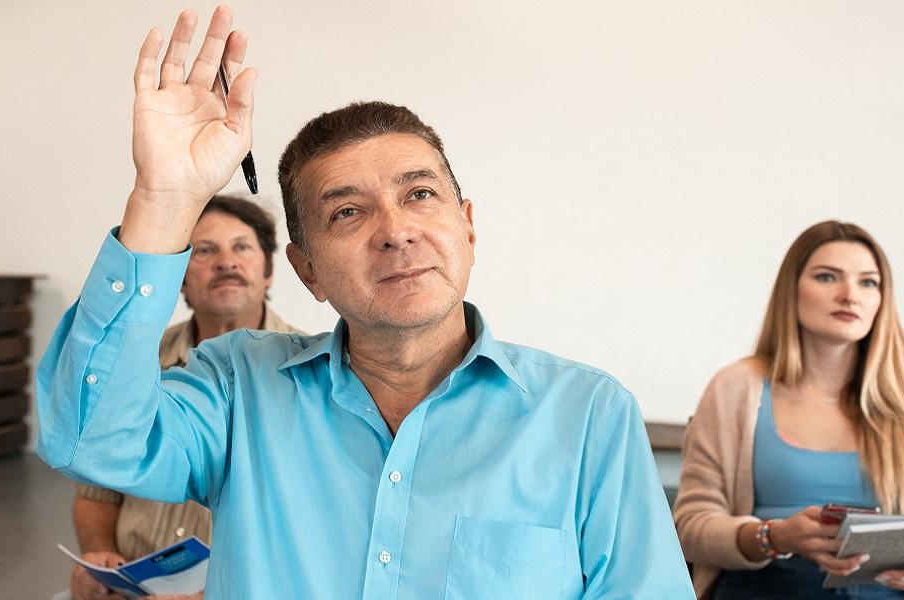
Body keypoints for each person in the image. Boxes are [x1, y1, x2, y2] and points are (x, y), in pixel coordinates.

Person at [38, 7, 692, 598]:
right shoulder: (240, 387)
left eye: (419, 195)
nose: (396, 229)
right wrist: (166, 198)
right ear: (307, 269)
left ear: (467, 227)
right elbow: (88, 441)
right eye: (347, 211)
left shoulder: (586, 416)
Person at [673, 221, 904, 599]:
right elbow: (689, 527)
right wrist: (774, 536)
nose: (850, 295)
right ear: (792, 291)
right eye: (827, 277)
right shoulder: (735, 388)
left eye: (868, 282)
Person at [68, 195, 300, 600]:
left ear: (268, 272)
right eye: (206, 251)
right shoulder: (133, 367)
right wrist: (98, 553)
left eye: (241, 247)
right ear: (180, 279)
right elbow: (96, 491)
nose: (226, 262)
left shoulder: (312, 374)